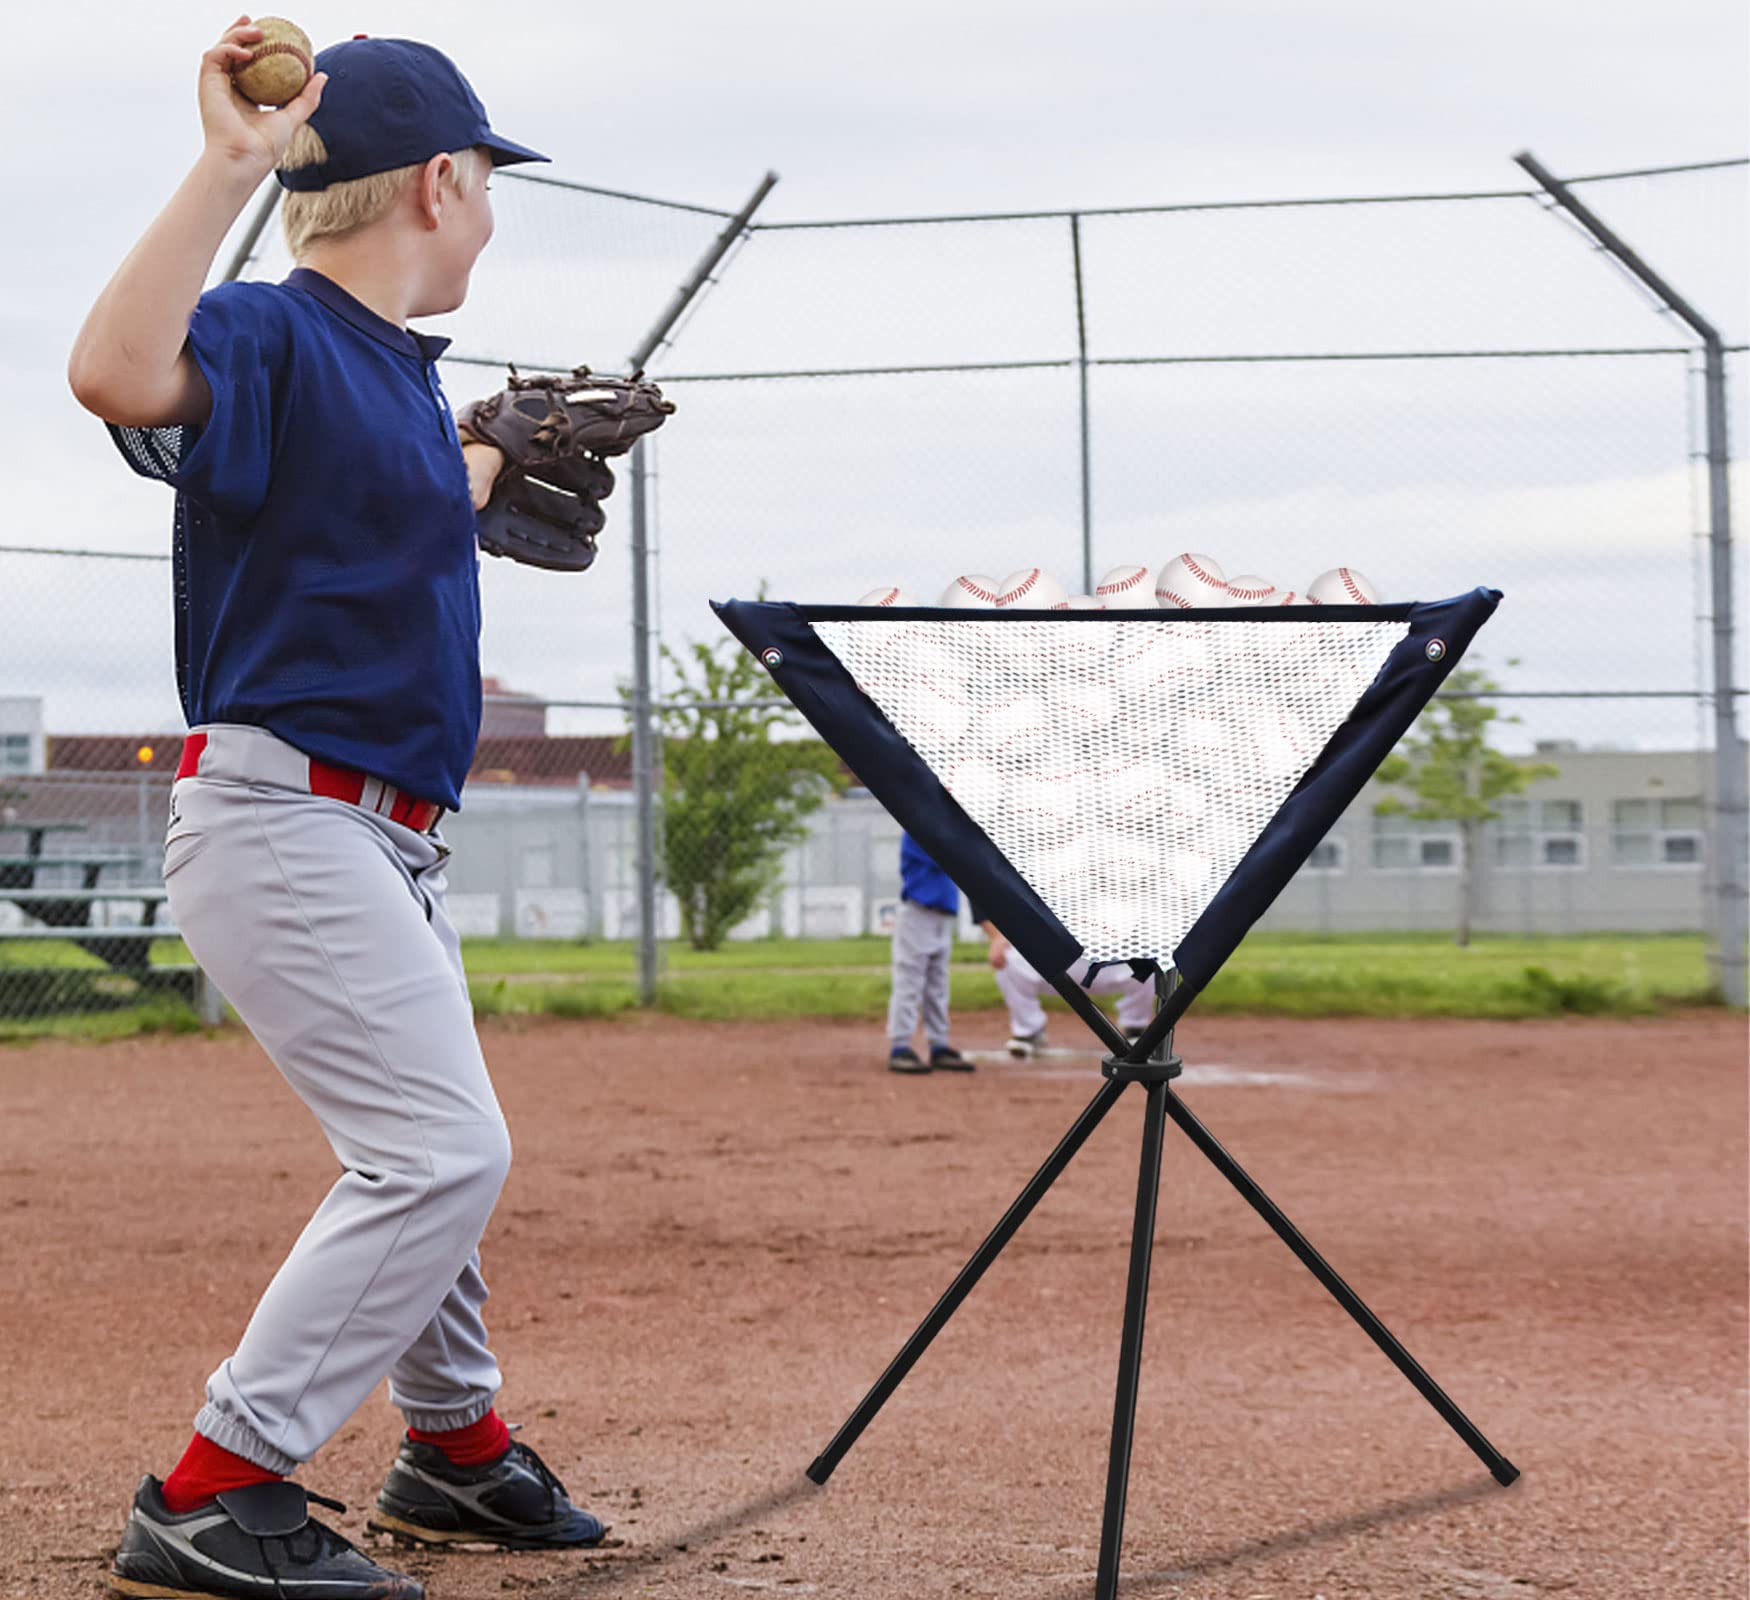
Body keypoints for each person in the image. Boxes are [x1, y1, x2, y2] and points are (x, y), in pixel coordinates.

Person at [69, 23, 604, 1599]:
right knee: (440, 1149)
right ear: (439, 180)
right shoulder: (271, 335)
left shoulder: (394, 386)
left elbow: (426, 482)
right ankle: (216, 1487)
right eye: (488, 183)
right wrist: (229, 164)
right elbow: (113, 374)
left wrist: (495, 454)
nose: (492, 213)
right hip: (281, 818)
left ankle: (455, 1452)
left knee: (419, 1131)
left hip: (381, 835)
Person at [980, 919, 1155, 1057]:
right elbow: (984, 895)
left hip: (1110, 959)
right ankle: (1029, 1031)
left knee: (1152, 960)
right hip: (1056, 958)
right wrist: (999, 937)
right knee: (1008, 958)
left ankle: (1135, 1027)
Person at [886, 833, 974, 1073]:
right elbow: (949, 852)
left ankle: (939, 1045)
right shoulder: (918, 828)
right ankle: (900, 1046)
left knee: (938, 985)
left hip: (941, 915)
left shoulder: (939, 827)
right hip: (918, 911)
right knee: (909, 981)